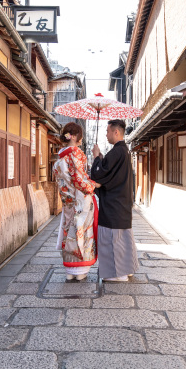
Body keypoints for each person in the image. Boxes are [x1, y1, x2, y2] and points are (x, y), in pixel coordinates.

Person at [90, 119, 139, 282]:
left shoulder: (117, 151)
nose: (106, 134)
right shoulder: (123, 151)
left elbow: (100, 173)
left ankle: (117, 274)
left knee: (113, 240)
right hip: (121, 203)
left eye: (108, 131)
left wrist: (96, 157)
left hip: (113, 205)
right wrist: (102, 158)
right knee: (123, 239)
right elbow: (111, 174)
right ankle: (127, 269)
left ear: (116, 132)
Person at [52, 122, 100, 281]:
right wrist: (94, 185)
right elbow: (80, 179)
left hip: (67, 202)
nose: (81, 139)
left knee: (68, 231)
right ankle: (80, 271)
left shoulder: (60, 157)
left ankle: (70, 270)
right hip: (80, 201)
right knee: (82, 232)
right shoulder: (76, 154)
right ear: (75, 137)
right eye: (80, 136)